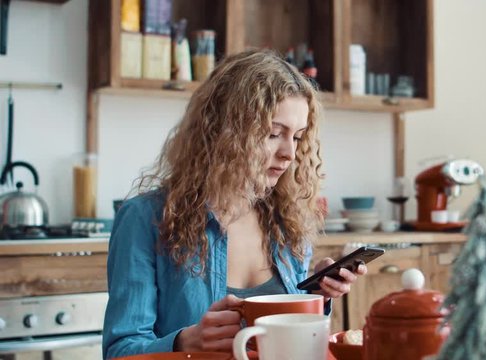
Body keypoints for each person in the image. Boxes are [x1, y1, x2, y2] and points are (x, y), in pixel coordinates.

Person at [102, 49, 367, 359]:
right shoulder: (145, 218)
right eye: (273, 133)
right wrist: (186, 341)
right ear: (224, 130)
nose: (289, 154)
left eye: (296, 137)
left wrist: (315, 295)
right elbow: (120, 351)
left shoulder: (287, 220)